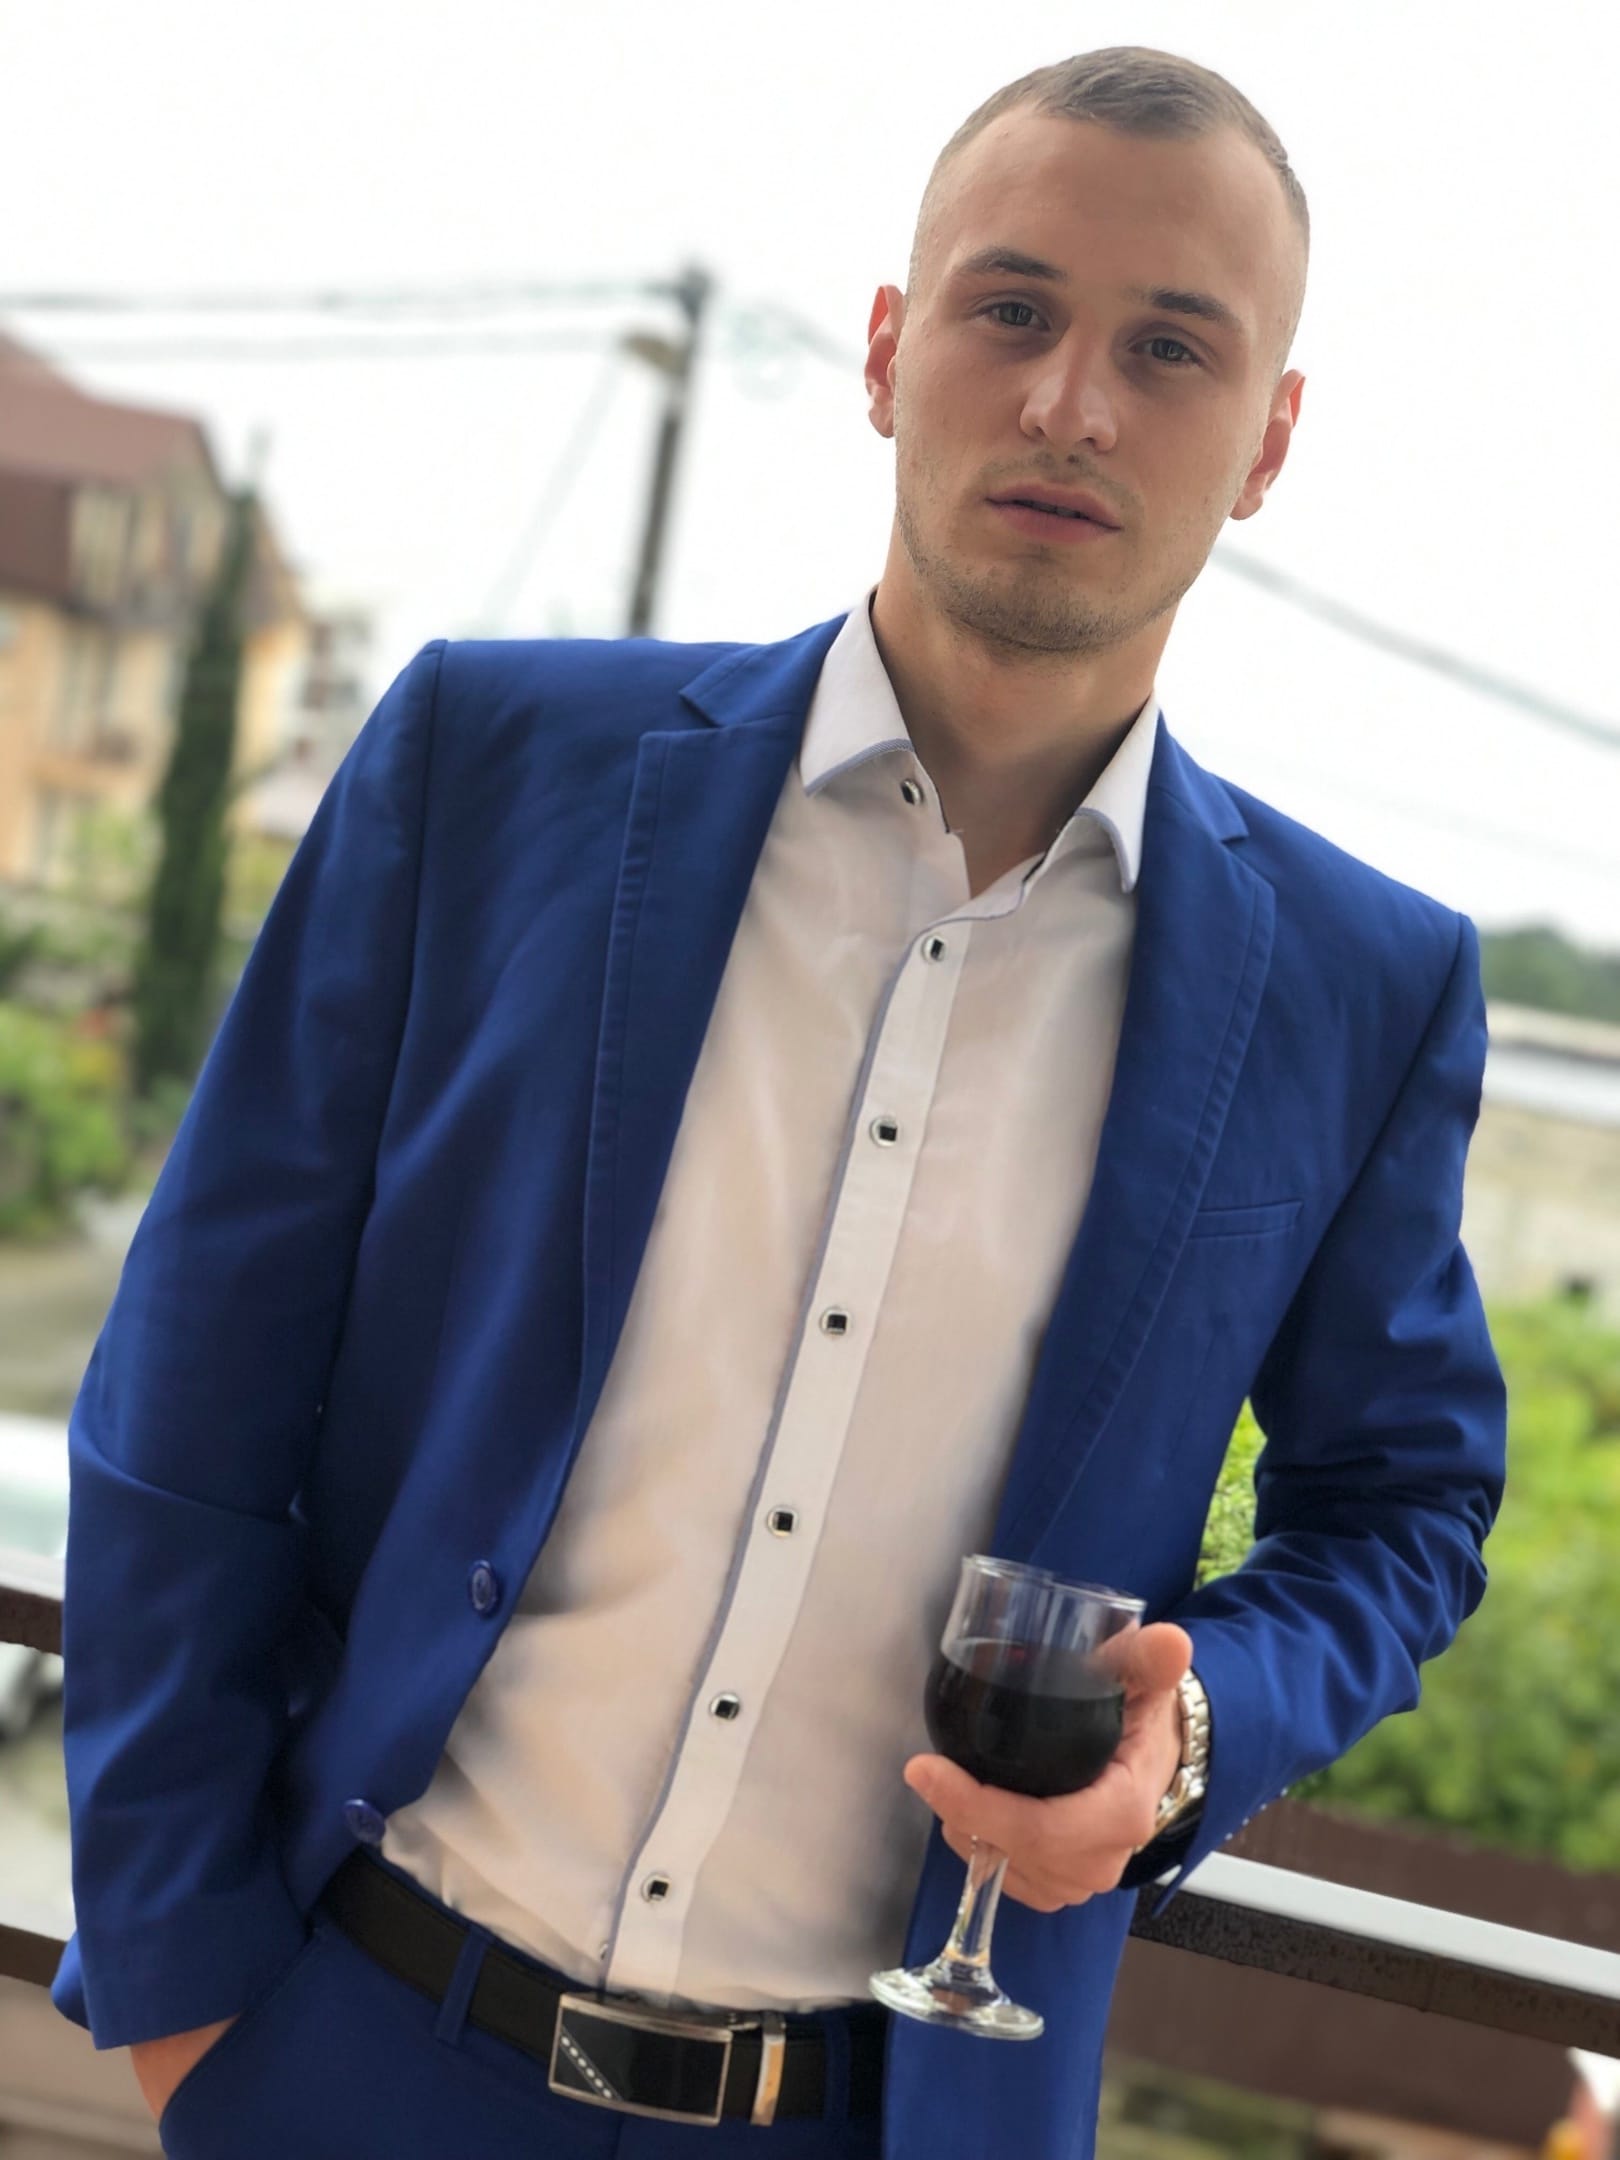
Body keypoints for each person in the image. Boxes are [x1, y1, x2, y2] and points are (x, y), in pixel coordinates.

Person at [51, 43, 1506, 2160]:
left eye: (1170, 349)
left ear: (1267, 439)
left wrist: (1193, 1737)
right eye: (1013, 308)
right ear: (891, 349)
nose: (1072, 404)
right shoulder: (486, 766)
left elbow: (1404, 1507)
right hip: (351, 2047)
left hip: (883, 2113)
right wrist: (184, 1989)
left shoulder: (1361, 990)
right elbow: (193, 1378)